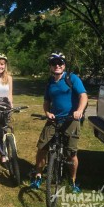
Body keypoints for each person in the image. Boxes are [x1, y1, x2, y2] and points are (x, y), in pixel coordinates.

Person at [30, 51, 88, 193]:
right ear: (50, 66)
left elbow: (83, 96)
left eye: (60, 62)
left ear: (64, 65)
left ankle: (73, 181)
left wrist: (79, 110)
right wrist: (47, 112)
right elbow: (46, 101)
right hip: (54, 119)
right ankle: (38, 176)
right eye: (54, 63)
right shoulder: (50, 82)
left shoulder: (72, 78)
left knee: (71, 153)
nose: (57, 65)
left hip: (71, 120)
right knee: (42, 148)